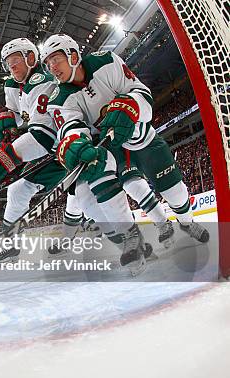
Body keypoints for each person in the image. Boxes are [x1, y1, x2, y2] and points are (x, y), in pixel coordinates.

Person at [0, 37, 149, 274]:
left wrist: (6, 156)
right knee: (82, 200)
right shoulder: (15, 87)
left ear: (30, 58)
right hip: (58, 146)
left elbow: (43, 134)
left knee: (85, 198)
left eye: (15, 61)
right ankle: (133, 245)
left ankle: (131, 242)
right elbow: (20, 114)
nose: (11, 67)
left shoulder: (42, 83)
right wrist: (5, 115)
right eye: (7, 63)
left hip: (61, 148)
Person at [39, 34, 208, 244]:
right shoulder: (59, 98)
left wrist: (131, 105)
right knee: (132, 186)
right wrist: (75, 142)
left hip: (142, 136)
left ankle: (186, 221)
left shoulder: (106, 62)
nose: (52, 67)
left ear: (73, 56)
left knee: (175, 191)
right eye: (47, 63)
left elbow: (142, 94)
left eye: (55, 59)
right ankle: (153, 228)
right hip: (113, 146)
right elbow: (72, 128)